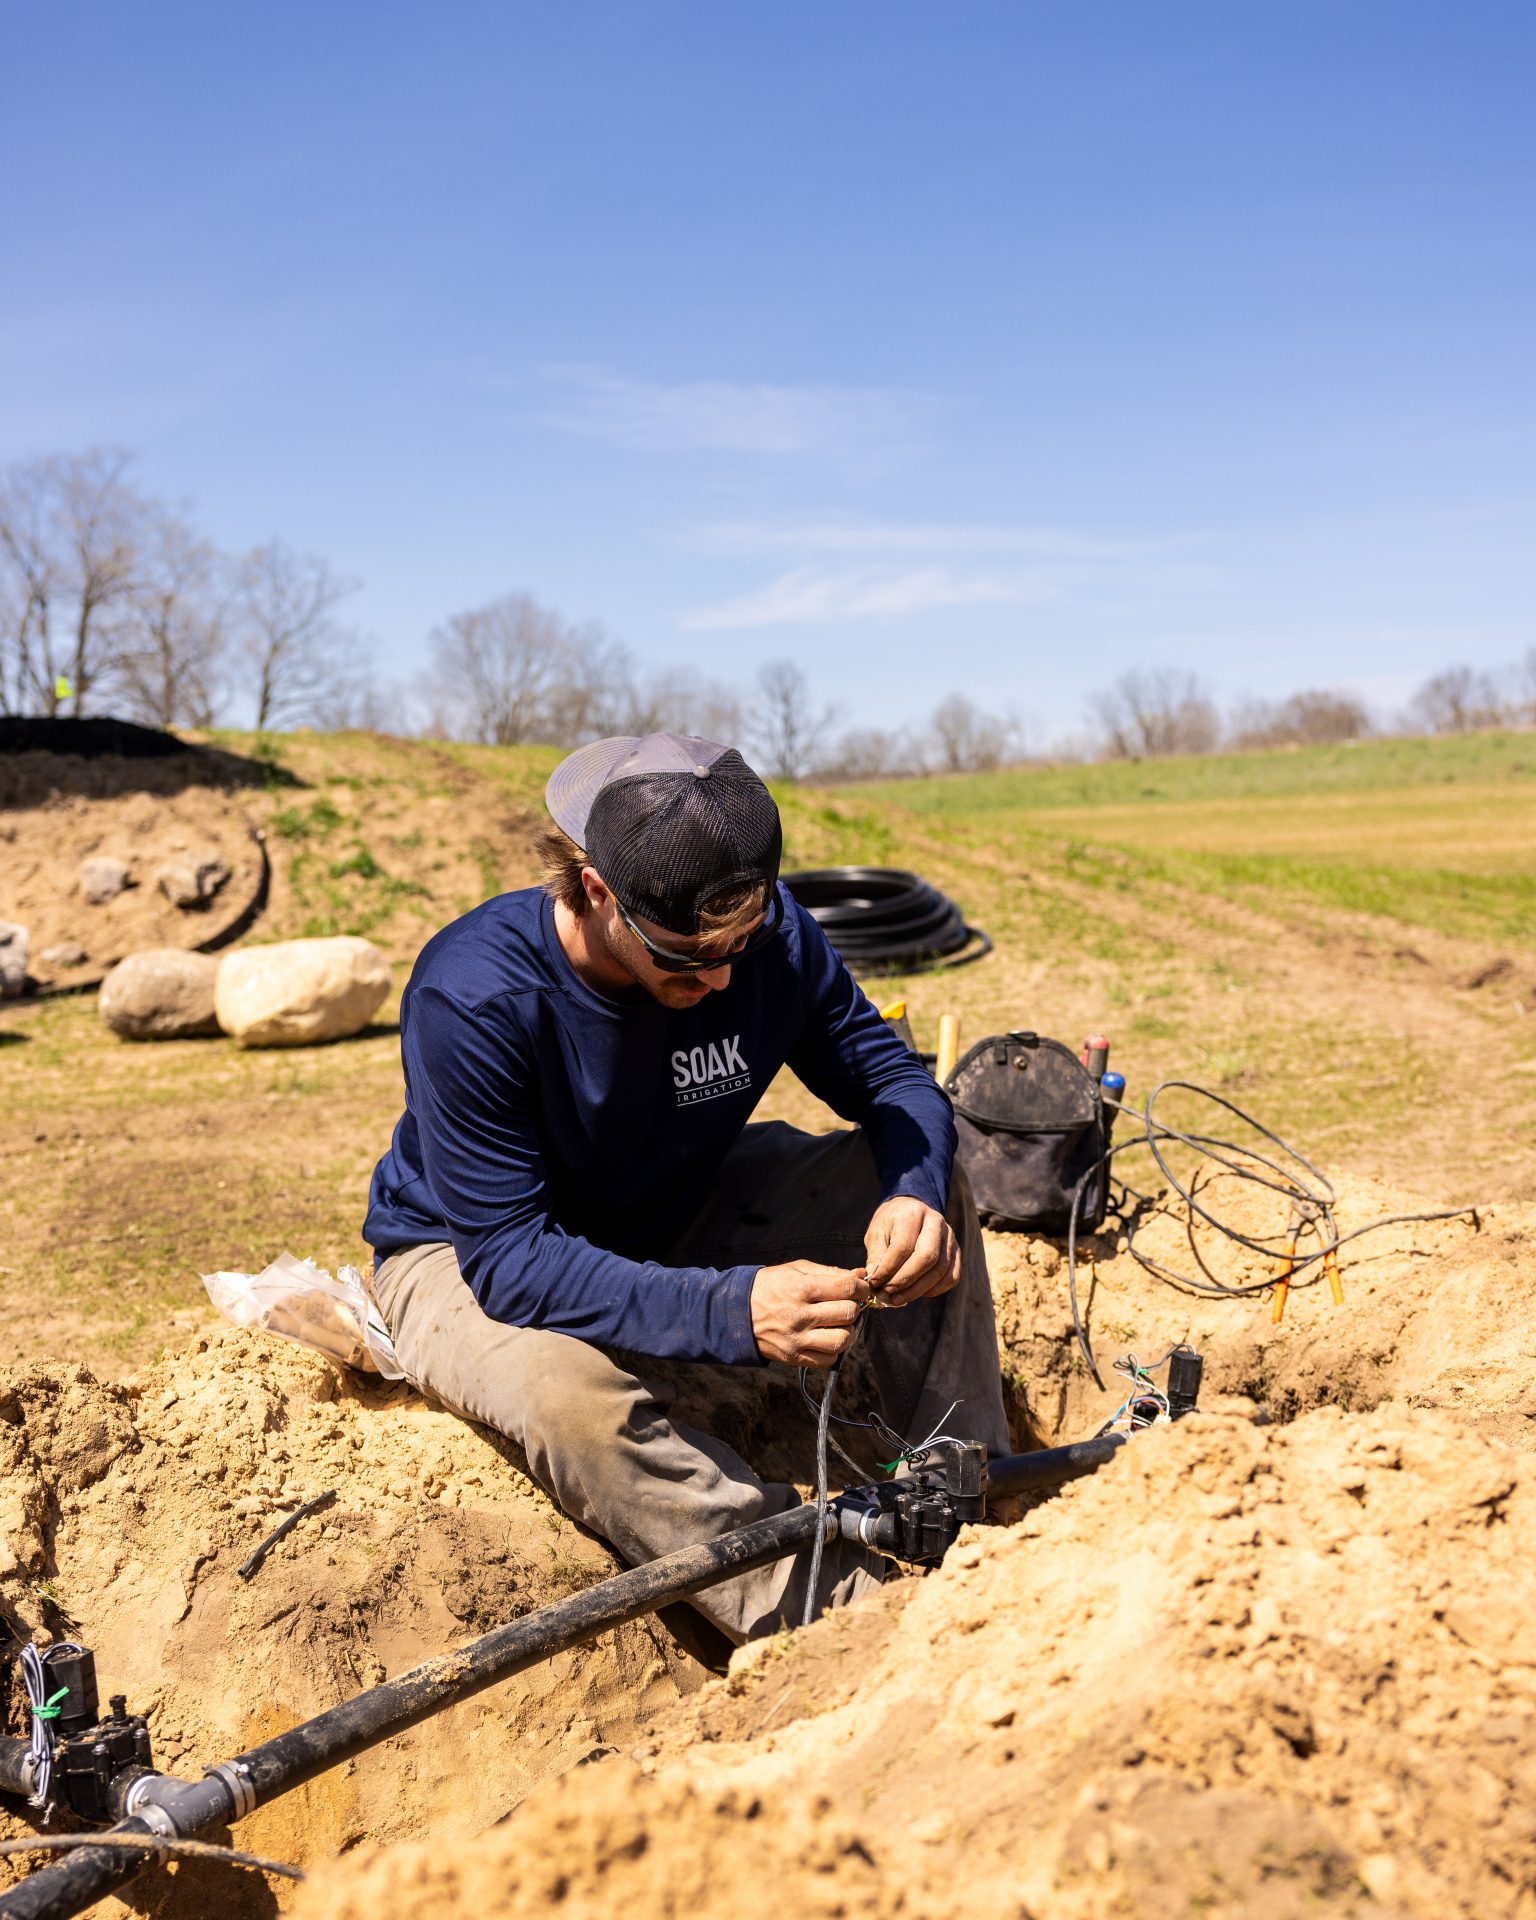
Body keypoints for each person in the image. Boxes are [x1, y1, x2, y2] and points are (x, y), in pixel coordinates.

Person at [364, 732, 1010, 1643]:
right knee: (568, 1397)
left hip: (674, 1198)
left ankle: (969, 1488)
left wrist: (913, 1191)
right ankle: (835, 1617)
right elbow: (510, 1262)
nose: (718, 979)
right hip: (465, 1250)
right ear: (596, 889)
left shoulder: (768, 933)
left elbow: (889, 1078)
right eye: (684, 960)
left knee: (924, 1164)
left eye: (739, 949)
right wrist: (733, 1311)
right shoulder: (474, 994)